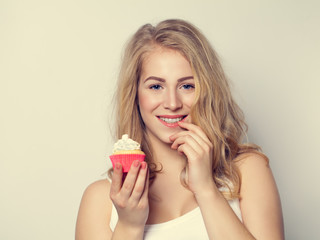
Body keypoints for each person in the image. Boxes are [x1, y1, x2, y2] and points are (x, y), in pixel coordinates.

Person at [75, 19, 284, 240]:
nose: (172, 103)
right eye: (156, 86)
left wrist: (206, 189)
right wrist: (129, 226)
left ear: (206, 91)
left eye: (187, 86)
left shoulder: (247, 170)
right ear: (135, 96)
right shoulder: (100, 200)